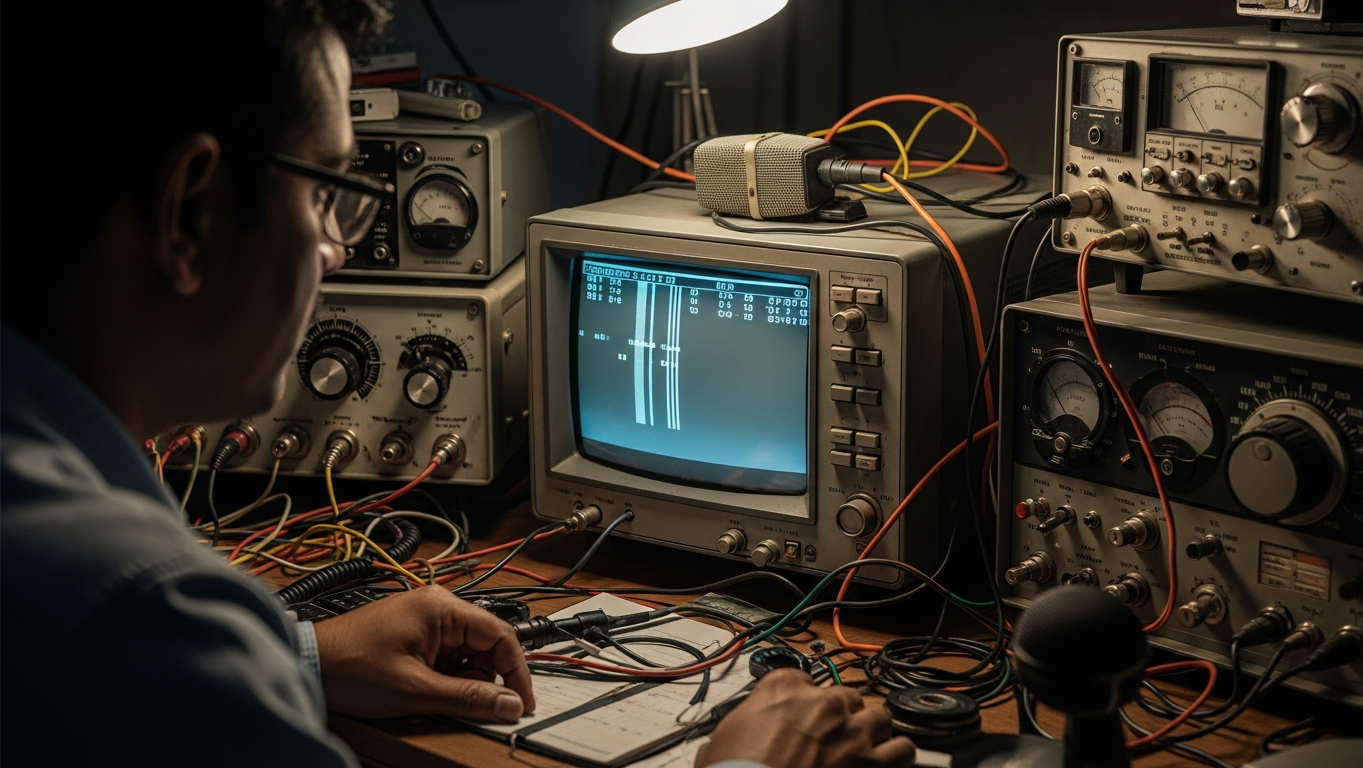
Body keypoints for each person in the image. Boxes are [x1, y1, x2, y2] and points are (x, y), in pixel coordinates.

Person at [0, 2, 914, 767]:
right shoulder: (135, 610)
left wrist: (303, 653)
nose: (337, 250)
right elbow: (137, 647)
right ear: (189, 216)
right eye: (324, 195)